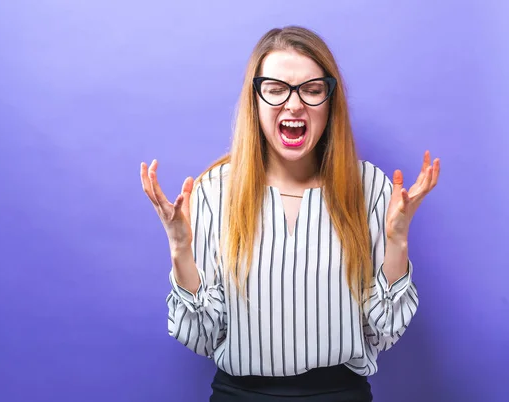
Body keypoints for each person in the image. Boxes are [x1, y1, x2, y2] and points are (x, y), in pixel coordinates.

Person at [140, 26, 440, 402]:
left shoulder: (370, 188)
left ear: (331, 102)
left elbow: (385, 329)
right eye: (276, 88)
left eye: (312, 90)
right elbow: (200, 335)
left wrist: (397, 241)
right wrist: (181, 249)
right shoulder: (215, 189)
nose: (294, 105)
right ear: (255, 100)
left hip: (340, 394)